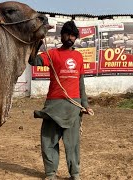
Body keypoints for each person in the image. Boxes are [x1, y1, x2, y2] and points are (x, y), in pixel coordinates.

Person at [28, 21, 94, 180]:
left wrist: (84, 105)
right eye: (67, 34)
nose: (70, 37)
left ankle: (75, 174)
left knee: (73, 144)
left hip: (73, 106)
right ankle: (51, 174)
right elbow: (33, 61)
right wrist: (37, 41)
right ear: (62, 35)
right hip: (53, 105)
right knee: (49, 140)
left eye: (73, 35)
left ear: (76, 37)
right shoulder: (52, 54)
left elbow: (81, 82)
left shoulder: (78, 56)